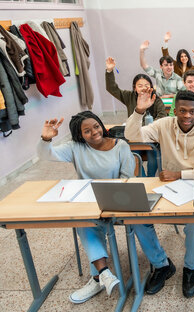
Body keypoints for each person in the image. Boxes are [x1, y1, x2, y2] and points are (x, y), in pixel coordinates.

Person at [37, 111, 174, 303]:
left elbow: (127, 178)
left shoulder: (121, 146)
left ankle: (162, 265)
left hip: (120, 200)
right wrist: (45, 139)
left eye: (96, 126)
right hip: (91, 203)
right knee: (83, 222)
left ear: (101, 124)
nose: (94, 132)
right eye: (86, 131)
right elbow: (46, 155)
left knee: (141, 222)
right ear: (79, 135)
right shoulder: (75, 147)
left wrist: (111, 202)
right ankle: (101, 275)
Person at [125, 89, 194, 298]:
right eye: (182, 111)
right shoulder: (164, 125)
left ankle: (191, 267)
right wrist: (138, 111)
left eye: (192, 111)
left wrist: (181, 173)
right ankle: (162, 264)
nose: (187, 116)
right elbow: (132, 136)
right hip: (167, 187)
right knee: (136, 219)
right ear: (174, 110)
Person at [105, 57, 166, 177]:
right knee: (133, 156)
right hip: (134, 136)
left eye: (146, 85)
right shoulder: (129, 96)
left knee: (152, 156)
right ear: (134, 88)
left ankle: (150, 178)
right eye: (140, 85)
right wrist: (109, 71)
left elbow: (162, 117)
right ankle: (142, 178)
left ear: (151, 87)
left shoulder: (155, 99)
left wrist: (148, 129)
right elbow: (112, 89)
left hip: (151, 137)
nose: (143, 88)